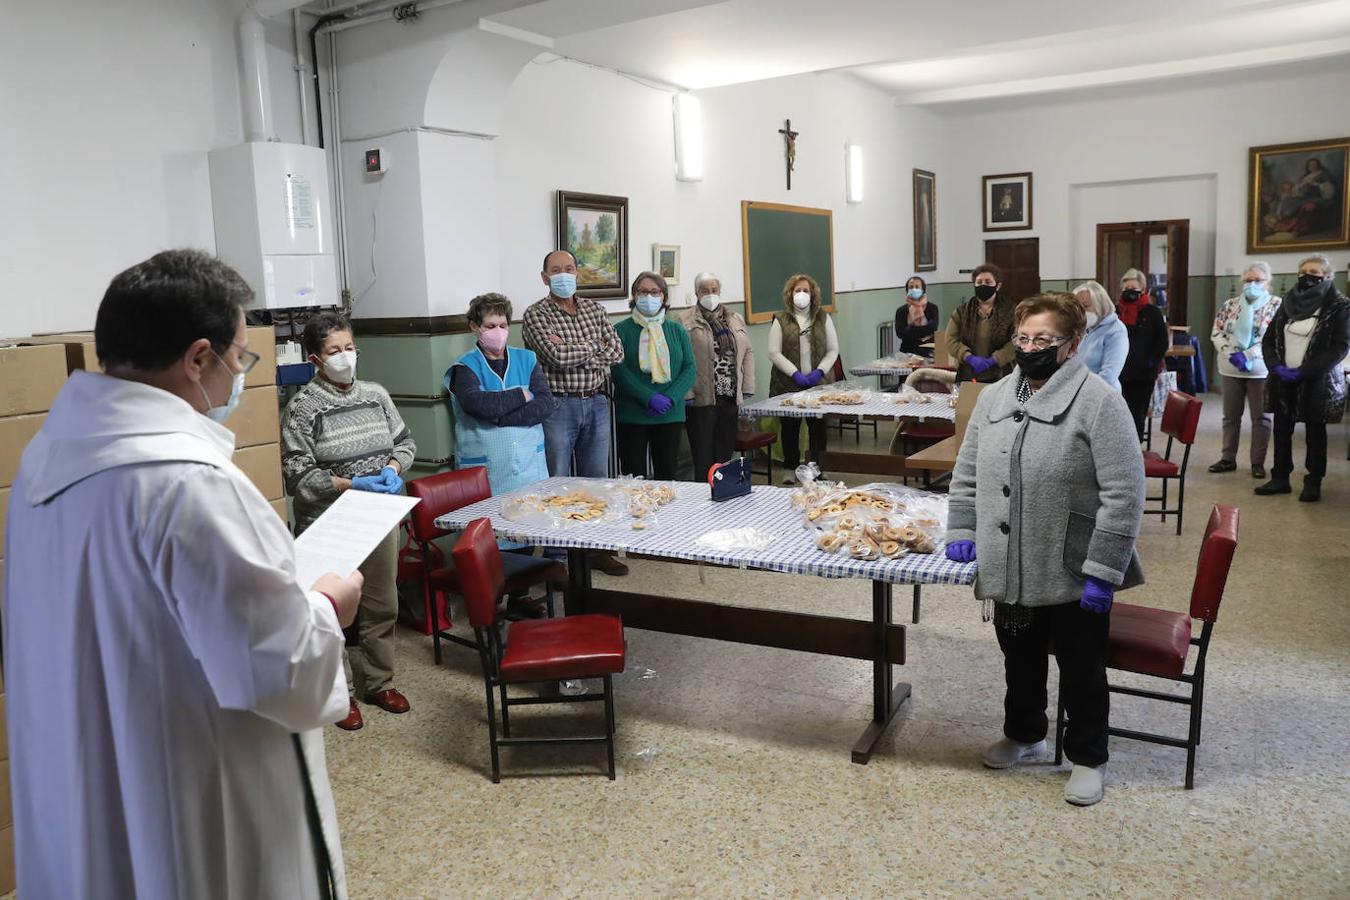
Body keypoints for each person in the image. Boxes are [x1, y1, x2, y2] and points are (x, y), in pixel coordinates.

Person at [2, 249, 363, 898]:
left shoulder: (45, 460)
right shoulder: (186, 483)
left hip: (85, 766)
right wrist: (325, 605)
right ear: (199, 358)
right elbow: (280, 670)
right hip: (189, 787)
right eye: (240, 358)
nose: (238, 379)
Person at [946, 291, 1145, 808]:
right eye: (1024, 338)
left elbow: (1124, 494)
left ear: (1073, 343)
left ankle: (1088, 757)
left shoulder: (1100, 401)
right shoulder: (994, 398)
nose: (1031, 347)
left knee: (1082, 666)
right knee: (1021, 656)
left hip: (1072, 561)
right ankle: (1026, 732)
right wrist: (961, 528)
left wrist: (1105, 569)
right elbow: (967, 472)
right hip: (1010, 556)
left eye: (1044, 340)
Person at [282, 311, 417, 731]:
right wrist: (349, 483)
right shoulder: (302, 408)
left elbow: (405, 441)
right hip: (329, 523)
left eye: (350, 348)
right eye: (334, 351)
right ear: (315, 359)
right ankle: (339, 694)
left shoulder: (376, 395)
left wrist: (394, 469)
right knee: (331, 610)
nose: (345, 357)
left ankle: (379, 682)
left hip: (378, 519)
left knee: (382, 603)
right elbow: (298, 477)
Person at [522, 249, 629, 575]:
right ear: (544, 278)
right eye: (556, 270)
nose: (564, 275)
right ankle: (558, 557)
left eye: (569, 268)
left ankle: (595, 548)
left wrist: (578, 348)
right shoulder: (535, 314)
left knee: (596, 481)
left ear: (578, 273)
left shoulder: (595, 309)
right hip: (558, 404)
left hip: (596, 401)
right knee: (558, 481)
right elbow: (556, 357)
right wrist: (593, 345)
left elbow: (618, 351)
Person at [1254, 254, 1350, 502]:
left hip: (1317, 379)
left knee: (1315, 432)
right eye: (1304, 271)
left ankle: (1313, 480)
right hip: (1283, 377)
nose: (1308, 276)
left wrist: (1304, 371)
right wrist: (1276, 367)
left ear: (1327, 276)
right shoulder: (1288, 302)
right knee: (1282, 428)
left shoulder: (1339, 306)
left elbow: (1340, 347)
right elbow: (1268, 340)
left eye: (1315, 272)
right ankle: (1280, 478)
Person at [611, 271, 697, 480]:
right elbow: (618, 370)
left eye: (654, 292)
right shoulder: (619, 330)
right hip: (633, 414)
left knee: (667, 475)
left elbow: (689, 367)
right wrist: (648, 397)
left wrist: (669, 398)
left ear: (664, 297)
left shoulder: (676, 329)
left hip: (670, 414)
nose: (648, 297)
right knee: (633, 478)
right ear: (634, 295)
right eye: (642, 292)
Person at [1209, 262, 1281, 478]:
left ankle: (1257, 463)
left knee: (1261, 418)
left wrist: (1247, 355)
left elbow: (1274, 338)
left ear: (1267, 283)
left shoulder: (1276, 305)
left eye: (1258, 280)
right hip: (1230, 368)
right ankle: (1227, 458)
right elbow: (1216, 331)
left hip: (1260, 370)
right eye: (1248, 280)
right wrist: (1230, 353)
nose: (1252, 284)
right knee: (1230, 416)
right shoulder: (1230, 304)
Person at [683, 271, 755, 481]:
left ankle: (723, 494)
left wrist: (747, 386)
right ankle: (703, 498)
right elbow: (680, 359)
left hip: (729, 394)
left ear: (720, 291)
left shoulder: (734, 318)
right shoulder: (685, 320)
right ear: (696, 293)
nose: (710, 294)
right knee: (703, 453)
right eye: (705, 290)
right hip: (701, 396)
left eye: (714, 290)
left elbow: (747, 352)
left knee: (724, 451)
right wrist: (687, 392)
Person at [767, 272, 839, 482]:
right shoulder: (780, 319)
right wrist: (795, 374)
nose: (801, 294)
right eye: (797, 290)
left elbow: (833, 350)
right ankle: (791, 469)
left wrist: (819, 372)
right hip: (788, 384)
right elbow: (774, 352)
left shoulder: (823, 317)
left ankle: (817, 469)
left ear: (813, 294)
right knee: (790, 428)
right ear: (790, 294)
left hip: (818, 384)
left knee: (818, 429)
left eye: (805, 290)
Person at [1115, 267, 1168, 440]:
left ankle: (1135, 452)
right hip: (1118, 373)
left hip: (1143, 375)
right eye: (1126, 290)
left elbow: (1161, 343)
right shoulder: (1116, 312)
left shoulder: (1153, 313)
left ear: (1143, 290)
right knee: (1118, 415)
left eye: (1134, 290)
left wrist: (1149, 363)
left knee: (1137, 416)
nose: (1129, 293)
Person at [945, 263, 1016, 383]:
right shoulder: (962, 312)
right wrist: (968, 357)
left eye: (988, 282)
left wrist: (995, 359)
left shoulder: (1011, 311)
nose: (983, 285)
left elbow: (1017, 340)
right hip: (968, 373)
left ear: (998, 286)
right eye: (979, 282)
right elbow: (950, 340)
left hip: (1001, 374)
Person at [1071, 280, 1127, 391]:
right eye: (1078, 308)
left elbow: (1108, 375)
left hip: (1103, 395)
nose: (1081, 313)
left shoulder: (1116, 330)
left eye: (1086, 307)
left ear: (1101, 305)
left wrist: (1079, 391)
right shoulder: (1086, 327)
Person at [895, 275, 940, 355]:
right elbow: (900, 333)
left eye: (917, 287)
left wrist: (910, 328)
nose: (914, 289)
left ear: (923, 290)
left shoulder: (932, 308)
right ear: (907, 290)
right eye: (911, 287)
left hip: (928, 351)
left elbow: (932, 328)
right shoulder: (901, 311)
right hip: (907, 351)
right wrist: (922, 330)